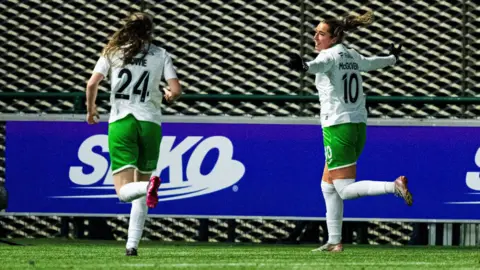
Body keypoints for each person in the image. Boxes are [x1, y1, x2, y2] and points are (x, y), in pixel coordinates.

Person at [287, 10, 412, 252]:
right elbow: (372, 63)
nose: (315, 37)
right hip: (358, 126)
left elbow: (317, 65)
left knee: (343, 190)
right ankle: (334, 241)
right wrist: (393, 59)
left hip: (337, 127)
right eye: (315, 33)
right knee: (328, 185)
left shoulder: (329, 56)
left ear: (333, 38)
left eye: (320, 34)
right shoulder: (352, 55)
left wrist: (303, 65)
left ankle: (393, 186)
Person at [85, 12, 182, 256]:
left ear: (126, 28)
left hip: (122, 122)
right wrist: (169, 96)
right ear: (150, 31)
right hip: (149, 124)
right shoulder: (160, 54)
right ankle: (132, 245)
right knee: (141, 188)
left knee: (124, 190)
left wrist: (91, 109)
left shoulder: (113, 52)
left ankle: (148, 186)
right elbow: (176, 89)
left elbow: (92, 84)